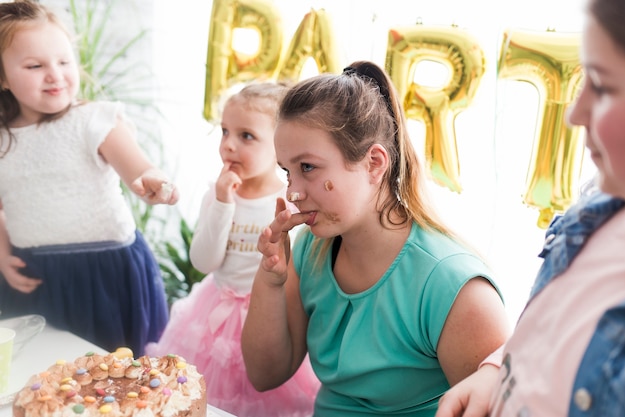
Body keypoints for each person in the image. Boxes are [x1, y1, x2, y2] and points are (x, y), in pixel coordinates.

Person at [240, 60, 511, 416]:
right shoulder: (310, 249)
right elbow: (264, 375)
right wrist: (271, 280)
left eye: (308, 167)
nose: (293, 193)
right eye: (287, 172)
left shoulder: (453, 286)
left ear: (374, 163)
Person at [435, 0, 625, 416]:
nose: (575, 114)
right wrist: (496, 368)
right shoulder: (595, 203)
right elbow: (560, 322)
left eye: (604, 85)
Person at [0, 0, 178, 356]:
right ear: (2, 77)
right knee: (43, 370)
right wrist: (3, 254)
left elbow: (140, 169)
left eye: (64, 61)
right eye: (35, 65)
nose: (55, 74)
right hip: (35, 276)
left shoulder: (94, 120)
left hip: (107, 274)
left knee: (115, 374)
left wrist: (154, 182)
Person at [145, 82, 320, 417]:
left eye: (246, 136)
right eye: (225, 132)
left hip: (267, 317)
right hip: (213, 317)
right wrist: (223, 203)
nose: (228, 145)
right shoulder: (218, 194)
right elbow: (204, 261)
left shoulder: (287, 198)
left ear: (280, 145)